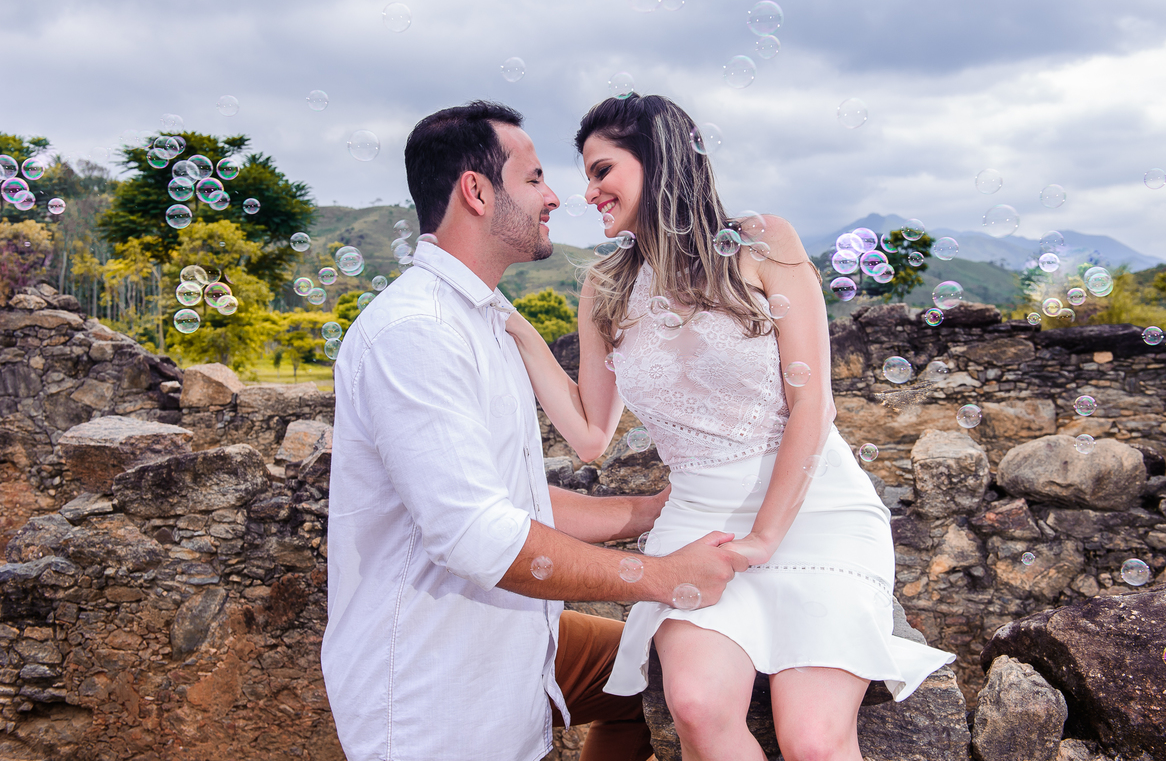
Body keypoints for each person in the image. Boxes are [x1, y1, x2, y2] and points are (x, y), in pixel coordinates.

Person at [504, 94, 956, 761]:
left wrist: (766, 535)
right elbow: (593, 436)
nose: (589, 191)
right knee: (696, 706)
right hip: (698, 521)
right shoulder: (604, 286)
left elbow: (813, 405)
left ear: (658, 159)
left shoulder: (762, 241)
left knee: (812, 741)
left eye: (602, 170)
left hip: (815, 510)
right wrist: (514, 327)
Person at [321, 100, 750, 761]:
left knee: (642, 674)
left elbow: (509, 499)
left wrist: (651, 510)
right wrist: (661, 575)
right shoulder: (418, 332)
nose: (554, 197)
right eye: (534, 179)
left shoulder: (485, 320)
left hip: (519, 642)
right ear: (475, 191)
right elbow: (477, 533)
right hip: (437, 686)